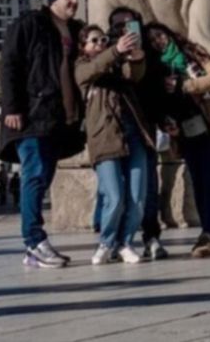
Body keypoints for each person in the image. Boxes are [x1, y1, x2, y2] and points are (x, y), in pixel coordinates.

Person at [0, 0, 84, 268]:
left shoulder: (74, 30)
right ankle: (34, 241)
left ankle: (32, 248)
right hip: (31, 116)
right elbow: (9, 63)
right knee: (34, 176)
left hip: (57, 120)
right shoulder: (31, 24)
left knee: (43, 177)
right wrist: (12, 107)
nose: (74, 1)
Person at [145, 23, 210, 257]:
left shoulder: (191, 53)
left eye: (159, 35)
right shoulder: (156, 68)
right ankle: (208, 235)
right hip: (185, 131)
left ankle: (208, 232)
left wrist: (185, 85)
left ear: (168, 34)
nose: (158, 41)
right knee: (198, 181)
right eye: (151, 40)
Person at [77, 24, 149, 264]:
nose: (100, 44)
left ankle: (124, 242)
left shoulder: (118, 66)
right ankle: (106, 242)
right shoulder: (82, 67)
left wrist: (137, 58)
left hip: (133, 136)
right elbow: (90, 72)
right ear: (83, 47)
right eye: (94, 41)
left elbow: (135, 76)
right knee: (114, 196)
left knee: (137, 196)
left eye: (103, 40)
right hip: (104, 138)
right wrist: (115, 51)